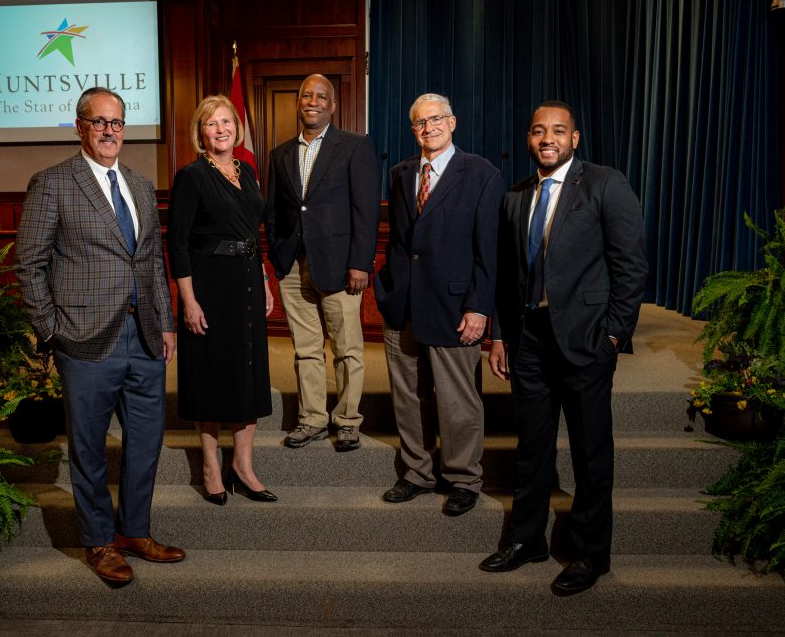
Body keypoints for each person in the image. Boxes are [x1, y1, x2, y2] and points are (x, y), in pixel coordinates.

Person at [15, 86, 184, 584]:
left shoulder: (138, 182)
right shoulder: (52, 183)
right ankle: (98, 542)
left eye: (117, 123)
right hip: (84, 338)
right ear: (80, 126)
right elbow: (29, 263)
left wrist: (167, 321)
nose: (110, 131)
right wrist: (51, 329)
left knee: (146, 442)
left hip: (145, 337)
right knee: (88, 448)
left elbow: (151, 260)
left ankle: (134, 530)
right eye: (99, 122)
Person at [481, 100, 648, 595]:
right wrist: (500, 336)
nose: (546, 138)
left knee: (590, 452)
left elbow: (631, 267)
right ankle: (527, 539)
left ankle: (590, 553)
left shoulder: (605, 184)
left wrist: (614, 335)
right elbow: (508, 278)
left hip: (586, 340)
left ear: (575, 138)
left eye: (558, 130)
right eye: (537, 131)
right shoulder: (516, 196)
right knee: (532, 448)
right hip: (529, 339)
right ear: (529, 140)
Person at [374, 93, 503, 516]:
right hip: (404, 304)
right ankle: (417, 473)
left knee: (457, 400)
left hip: (454, 306)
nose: (427, 128)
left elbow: (488, 249)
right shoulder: (400, 172)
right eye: (419, 123)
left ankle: (463, 477)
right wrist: (386, 288)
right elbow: (399, 241)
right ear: (412, 129)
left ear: (453, 122)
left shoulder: (481, 173)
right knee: (408, 396)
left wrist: (479, 307)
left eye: (435, 120)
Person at [168, 95, 277, 505]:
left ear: (237, 128)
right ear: (201, 132)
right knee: (213, 373)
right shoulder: (192, 176)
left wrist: (264, 279)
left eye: (227, 122)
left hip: (247, 281)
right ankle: (212, 466)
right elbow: (177, 244)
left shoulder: (247, 172)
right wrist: (188, 300)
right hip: (209, 286)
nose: (221, 130)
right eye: (212, 124)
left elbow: (253, 233)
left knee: (247, 370)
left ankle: (243, 466)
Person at [266, 73, 381, 452]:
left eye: (321, 96)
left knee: (348, 349)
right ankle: (312, 418)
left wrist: (361, 263)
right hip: (293, 266)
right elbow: (275, 211)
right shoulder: (279, 153)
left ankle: (347, 420)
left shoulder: (354, 146)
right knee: (305, 349)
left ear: (332, 105)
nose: (313, 101)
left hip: (340, 266)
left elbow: (365, 211)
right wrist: (277, 258)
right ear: (297, 102)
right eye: (306, 95)